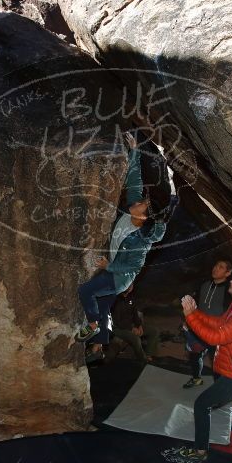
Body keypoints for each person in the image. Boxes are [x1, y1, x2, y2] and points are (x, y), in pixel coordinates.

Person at [76, 131, 176, 354]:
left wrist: (108, 266)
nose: (139, 201)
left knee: (86, 292)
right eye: (141, 200)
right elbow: (134, 180)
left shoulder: (140, 241)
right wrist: (134, 152)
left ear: (143, 216)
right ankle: (99, 346)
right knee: (103, 306)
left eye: (142, 204)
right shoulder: (133, 208)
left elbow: (134, 267)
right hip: (114, 271)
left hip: (119, 277)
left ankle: (92, 325)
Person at [172, 273, 232, 463]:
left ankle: (200, 451)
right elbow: (220, 324)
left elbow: (215, 338)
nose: (231, 281)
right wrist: (196, 313)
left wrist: (191, 317)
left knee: (202, 404)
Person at [181, 257, 232, 388]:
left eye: (221, 267)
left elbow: (230, 313)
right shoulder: (204, 284)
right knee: (194, 354)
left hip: (216, 332)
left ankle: (218, 391)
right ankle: (196, 378)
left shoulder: (230, 290)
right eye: (215, 265)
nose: (215, 268)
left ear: (228, 273)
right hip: (198, 328)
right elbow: (195, 306)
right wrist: (188, 321)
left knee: (216, 362)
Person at [106, 283, 159, 363]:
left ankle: (148, 354)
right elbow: (117, 321)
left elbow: (135, 314)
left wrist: (139, 325)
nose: (130, 286)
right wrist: (132, 329)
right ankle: (143, 359)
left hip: (131, 325)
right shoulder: (116, 300)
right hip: (117, 328)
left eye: (131, 285)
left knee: (154, 331)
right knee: (136, 339)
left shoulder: (130, 298)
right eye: (128, 284)